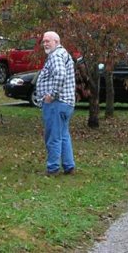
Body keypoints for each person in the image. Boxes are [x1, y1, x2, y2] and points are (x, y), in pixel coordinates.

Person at [35, 30, 76, 176]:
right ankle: (69, 166)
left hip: (57, 103)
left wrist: (52, 95)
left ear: (56, 42)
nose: (45, 44)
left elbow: (60, 75)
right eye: (44, 41)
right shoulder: (63, 54)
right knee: (63, 135)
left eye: (48, 41)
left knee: (53, 137)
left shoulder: (56, 55)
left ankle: (52, 168)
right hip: (67, 103)